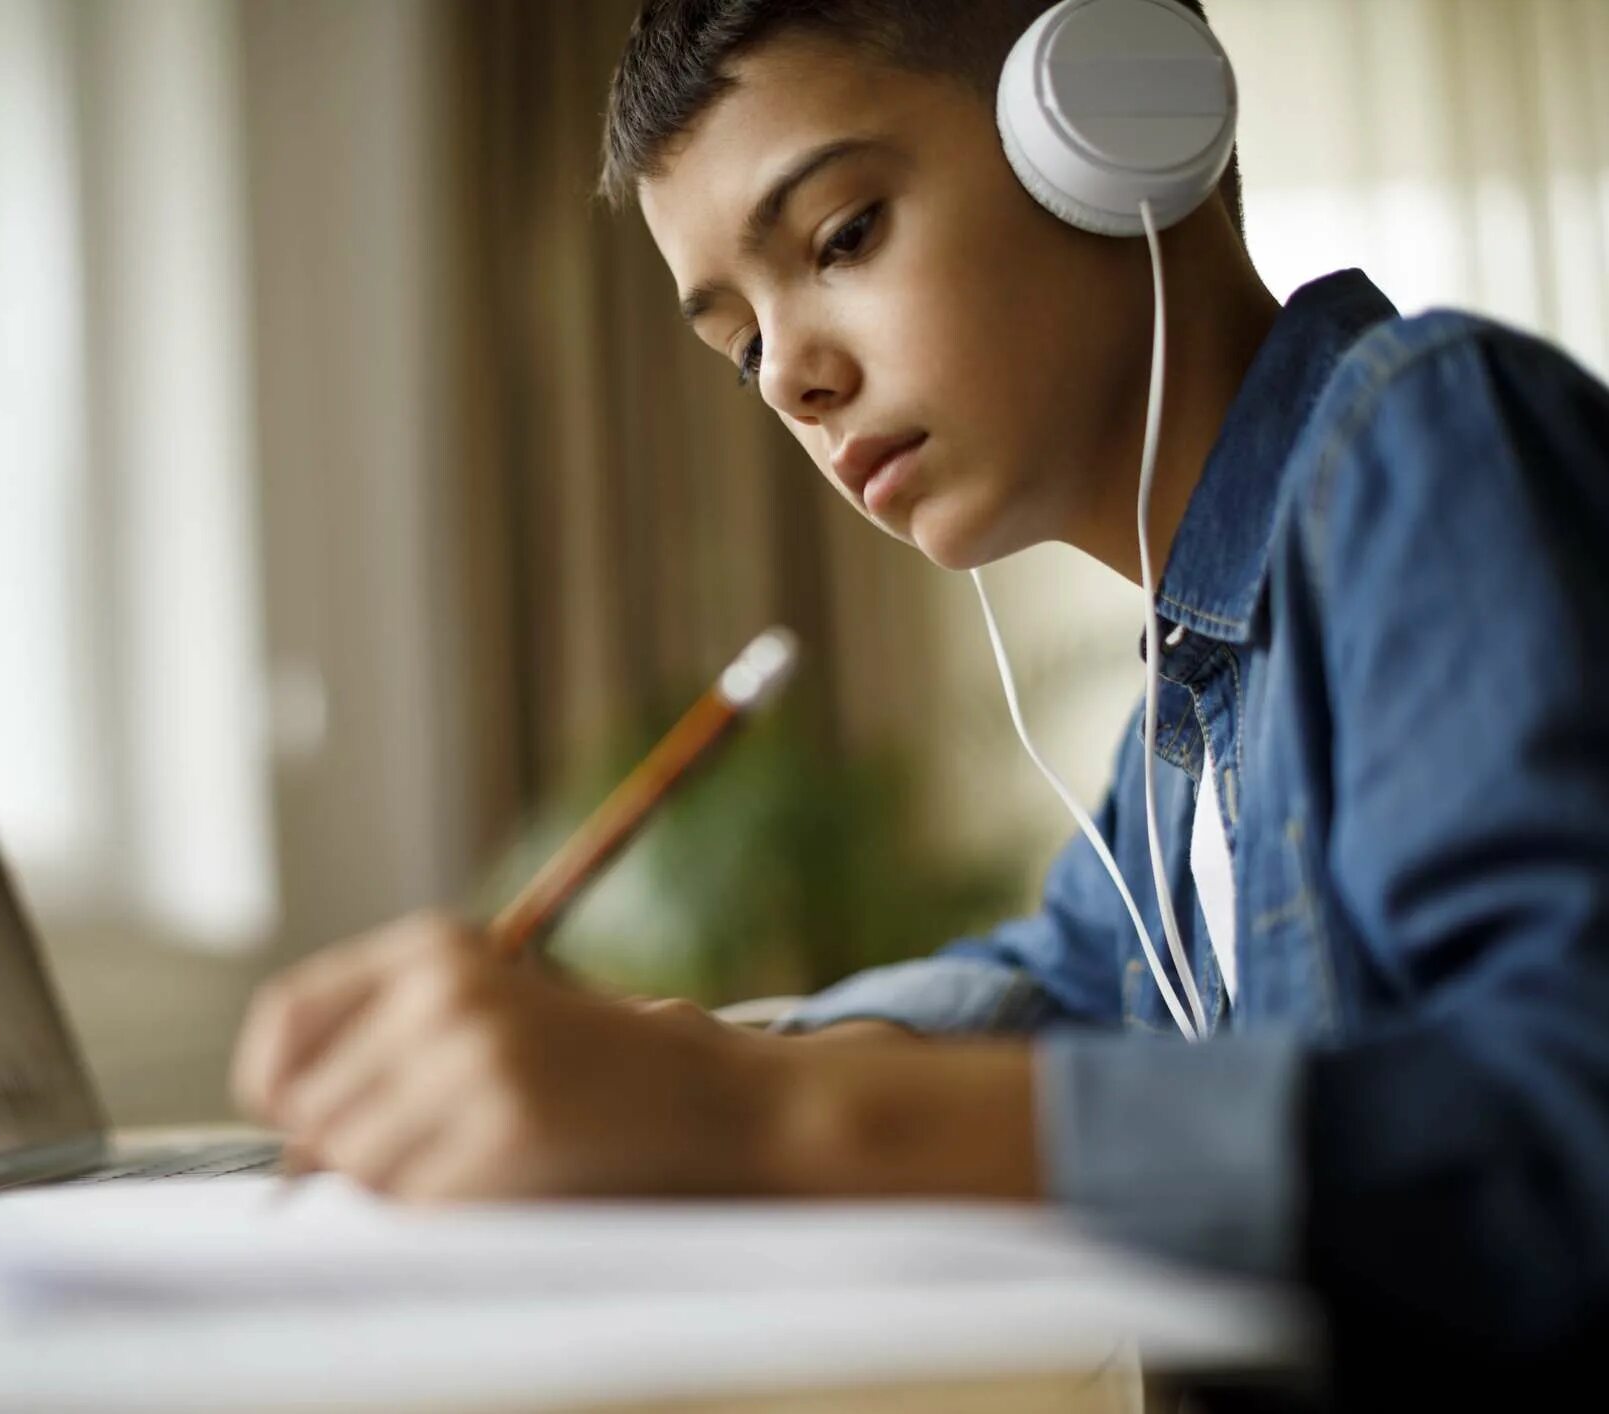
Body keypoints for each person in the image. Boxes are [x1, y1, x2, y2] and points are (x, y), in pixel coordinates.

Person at [232, 0, 1609, 1388]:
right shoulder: (1196, 708)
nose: (795, 381)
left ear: (1115, 123)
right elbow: (1045, 983)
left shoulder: (1424, 442)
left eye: (839, 238)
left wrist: (754, 1120)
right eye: (739, 346)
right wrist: (698, 1067)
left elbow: (1560, 1123)